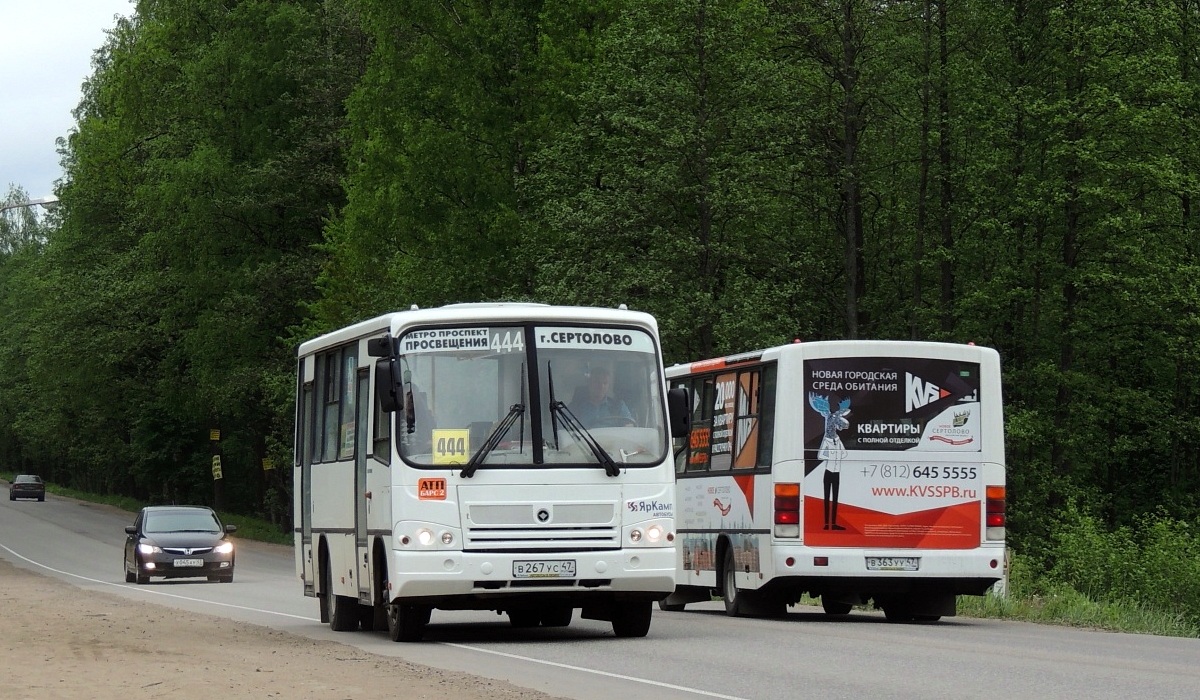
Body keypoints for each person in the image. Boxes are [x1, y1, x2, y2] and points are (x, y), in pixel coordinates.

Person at [569, 366, 635, 428]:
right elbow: (561, 426)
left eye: (605, 383)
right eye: (597, 382)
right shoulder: (576, 407)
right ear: (589, 383)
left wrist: (628, 425)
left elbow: (630, 426)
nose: (601, 386)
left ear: (608, 385)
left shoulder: (618, 406)